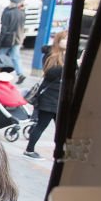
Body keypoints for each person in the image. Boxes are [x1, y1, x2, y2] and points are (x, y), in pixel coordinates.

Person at [24, 30, 66, 159]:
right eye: (65, 39)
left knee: (63, 129)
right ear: (58, 41)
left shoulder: (68, 55)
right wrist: (71, 65)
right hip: (48, 97)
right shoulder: (50, 54)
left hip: (61, 98)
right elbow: (50, 73)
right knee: (42, 124)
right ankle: (29, 150)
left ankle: (62, 152)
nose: (68, 41)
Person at [0, 0, 26, 83]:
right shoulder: (22, 13)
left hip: (8, 38)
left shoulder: (8, 13)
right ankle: (20, 73)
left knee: (0, 56)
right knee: (15, 57)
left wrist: (0, 40)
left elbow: (4, 28)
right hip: (17, 38)